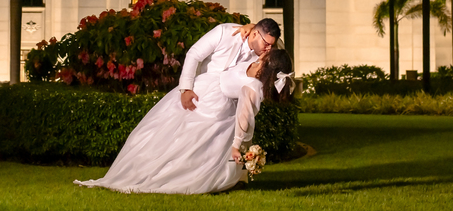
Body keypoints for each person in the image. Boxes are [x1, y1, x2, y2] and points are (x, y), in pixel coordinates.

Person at [75, 41, 294, 194]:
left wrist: (237, 145)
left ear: (268, 64)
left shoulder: (254, 87)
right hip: (207, 93)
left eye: (268, 53)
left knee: (187, 148)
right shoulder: (256, 64)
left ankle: (174, 176)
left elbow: (244, 118)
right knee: (165, 135)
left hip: (214, 110)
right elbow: (264, 40)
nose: (266, 51)